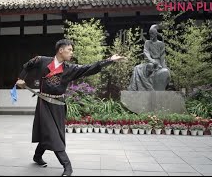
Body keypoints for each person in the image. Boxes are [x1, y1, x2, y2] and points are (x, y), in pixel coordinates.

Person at [15, 39, 126, 176]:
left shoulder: (70, 69)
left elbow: (89, 68)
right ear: (61, 50)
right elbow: (28, 65)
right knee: (51, 132)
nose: (71, 53)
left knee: (54, 132)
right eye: (70, 50)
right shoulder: (42, 60)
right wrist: (21, 78)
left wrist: (109, 60)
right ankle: (67, 166)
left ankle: (37, 156)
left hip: (58, 105)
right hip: (43, 103)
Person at [128, 24, 170, 91]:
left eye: (152, 33)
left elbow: (162, 56)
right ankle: (135, 88)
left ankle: (148, 85)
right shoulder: (147, 43)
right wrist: (151, 60)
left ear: (156, 34)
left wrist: (163, 66)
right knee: (137, 68)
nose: (151, 35)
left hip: (157, 62)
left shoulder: (161, 44)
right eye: (150, 33)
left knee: (156, 68)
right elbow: (146, 52)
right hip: (149, 61)